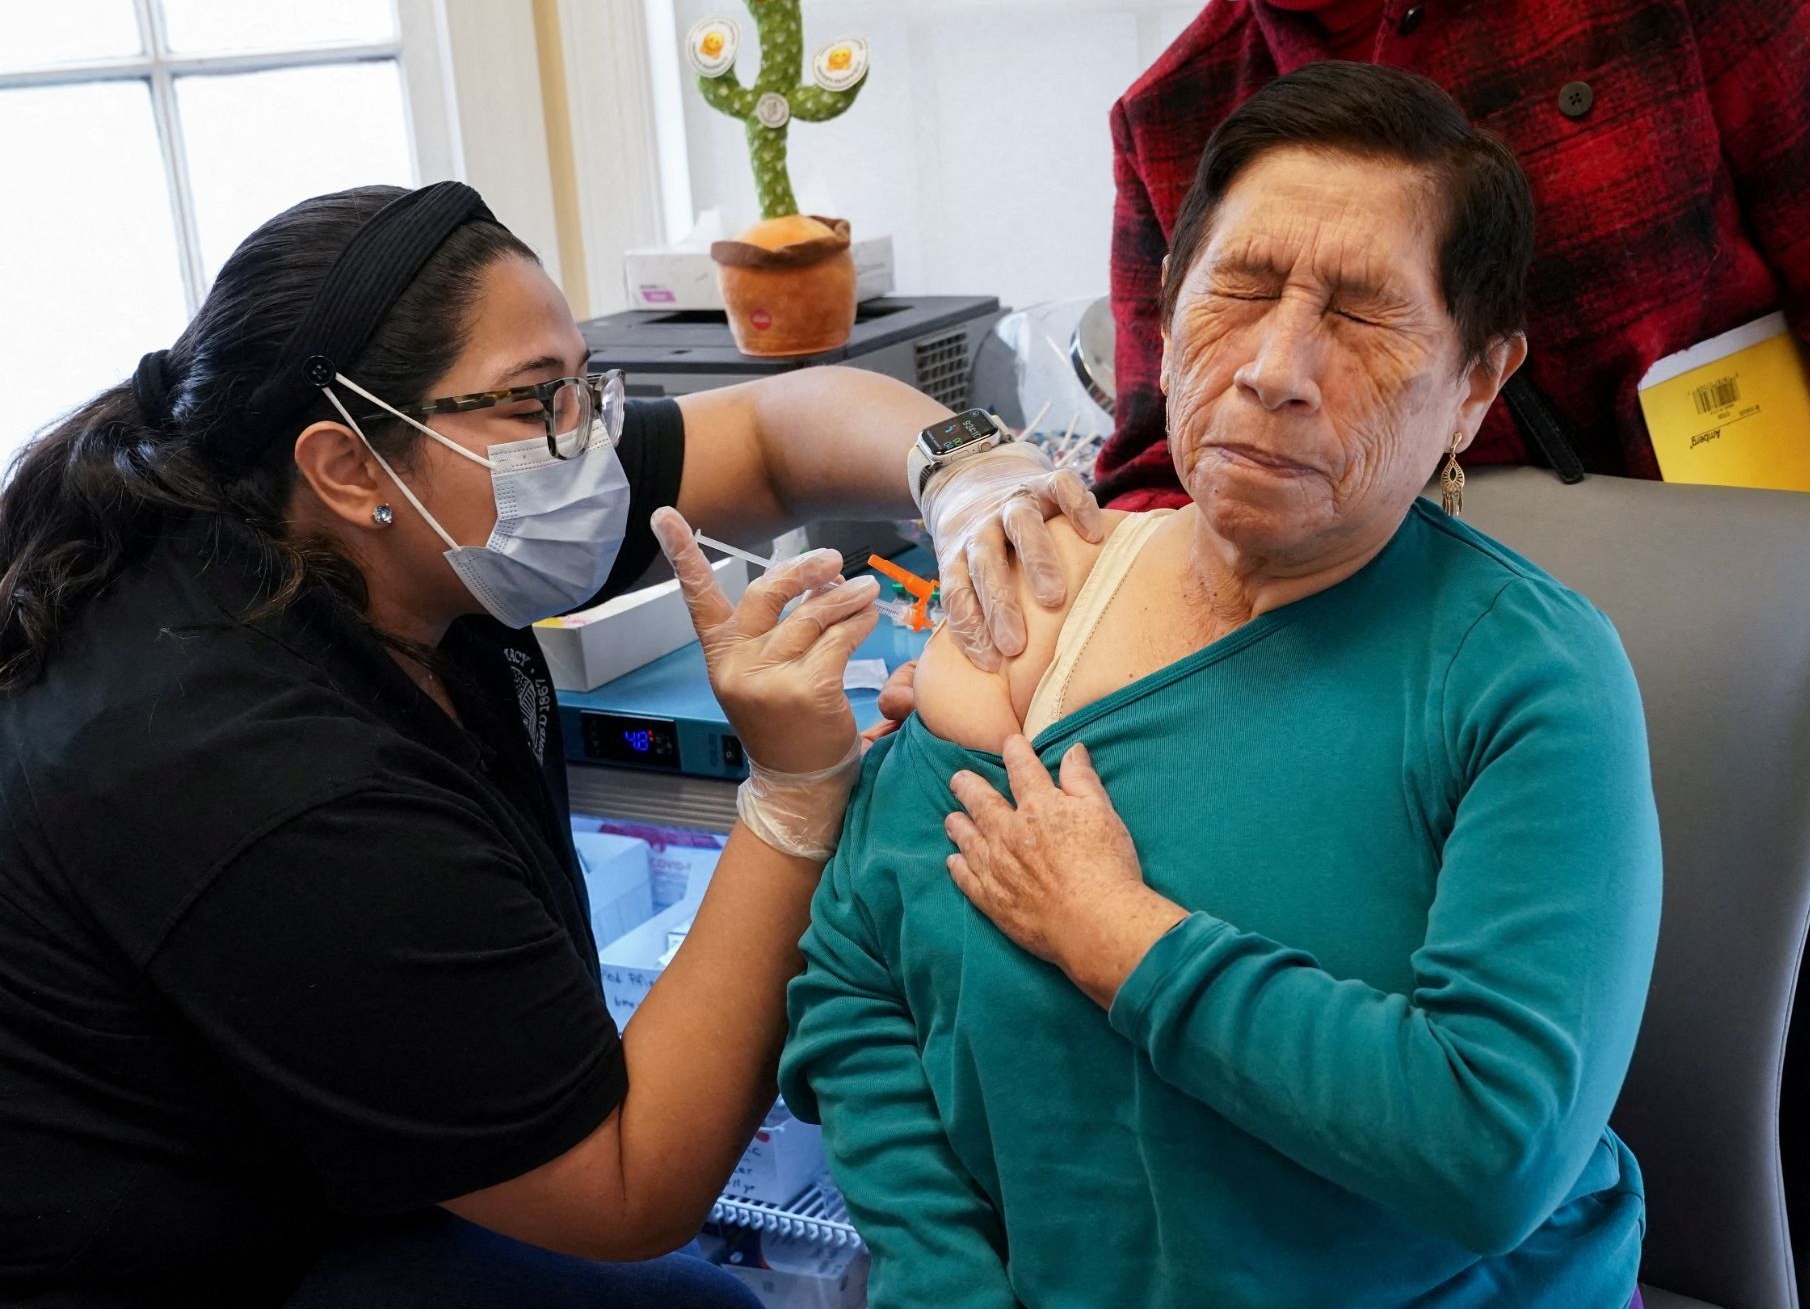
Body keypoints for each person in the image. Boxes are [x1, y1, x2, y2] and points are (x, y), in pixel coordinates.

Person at [1107, 0, 1810, 1302]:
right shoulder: (1182, 114)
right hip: (1413, 728)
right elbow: (1154, 459)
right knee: (1469, 1135)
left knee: (1796, 1135)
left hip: (1767, 697)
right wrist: (1038, 553)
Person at [0, 182, 1101, 1307]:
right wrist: (795, 792)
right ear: (344, 466)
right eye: (539, 401)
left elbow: (779, 434)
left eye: (585, 386)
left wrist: (966, 469)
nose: (586, 444)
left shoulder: (408, 525)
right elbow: (624, 1191)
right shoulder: (247, 771)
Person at [782, 65, 1662, 1309]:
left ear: (1475, 384)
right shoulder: (1037, 588)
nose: (1273, 368)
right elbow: (854, 980)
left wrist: (1123, 938)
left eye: (1361, 316)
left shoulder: (1527, 680)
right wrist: (943, 1284)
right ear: (1163, 308)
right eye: (1239, 290)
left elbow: (1490, 1149)